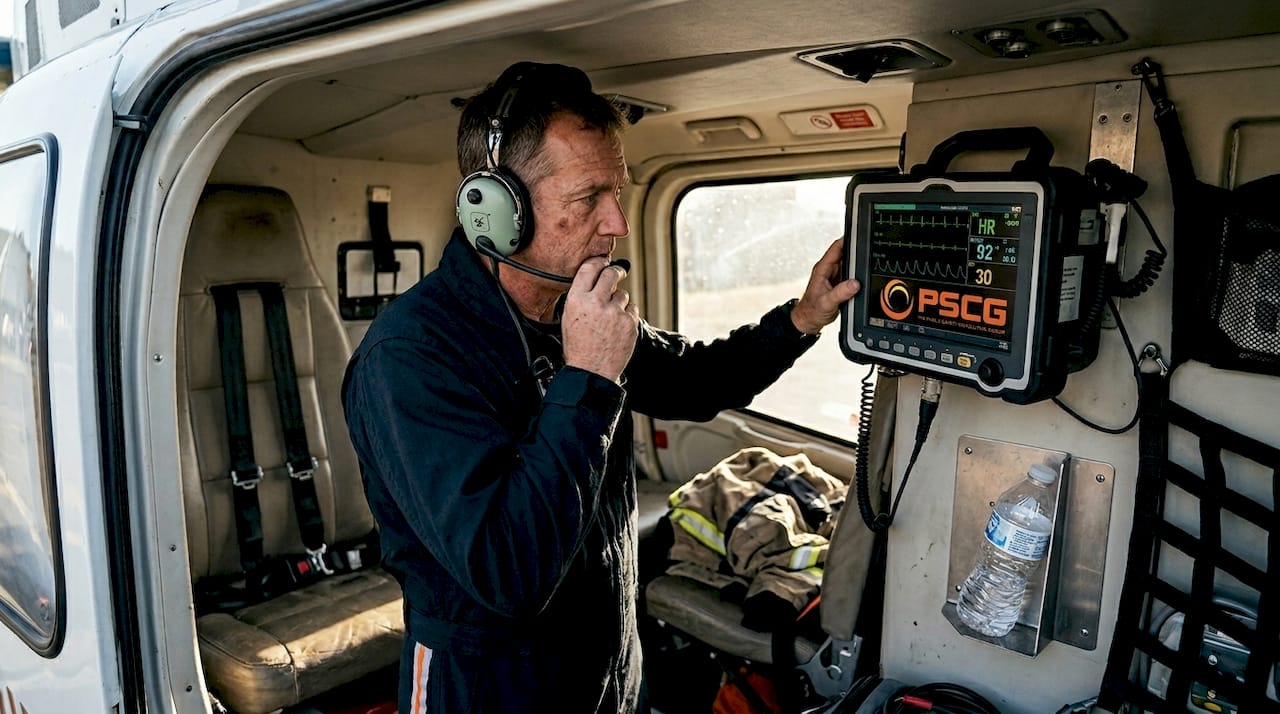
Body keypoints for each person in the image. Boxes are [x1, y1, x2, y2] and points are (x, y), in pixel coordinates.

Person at [341, 61, 860, 714]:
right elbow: (509, 571)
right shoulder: (412, 355)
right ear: (497, 209)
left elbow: (696, 381)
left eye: (619, 192)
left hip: (608, 665)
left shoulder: (572, 309)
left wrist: (802, 318)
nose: (616, 221)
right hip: (488, 687)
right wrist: (588, 380)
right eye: (589, 197)